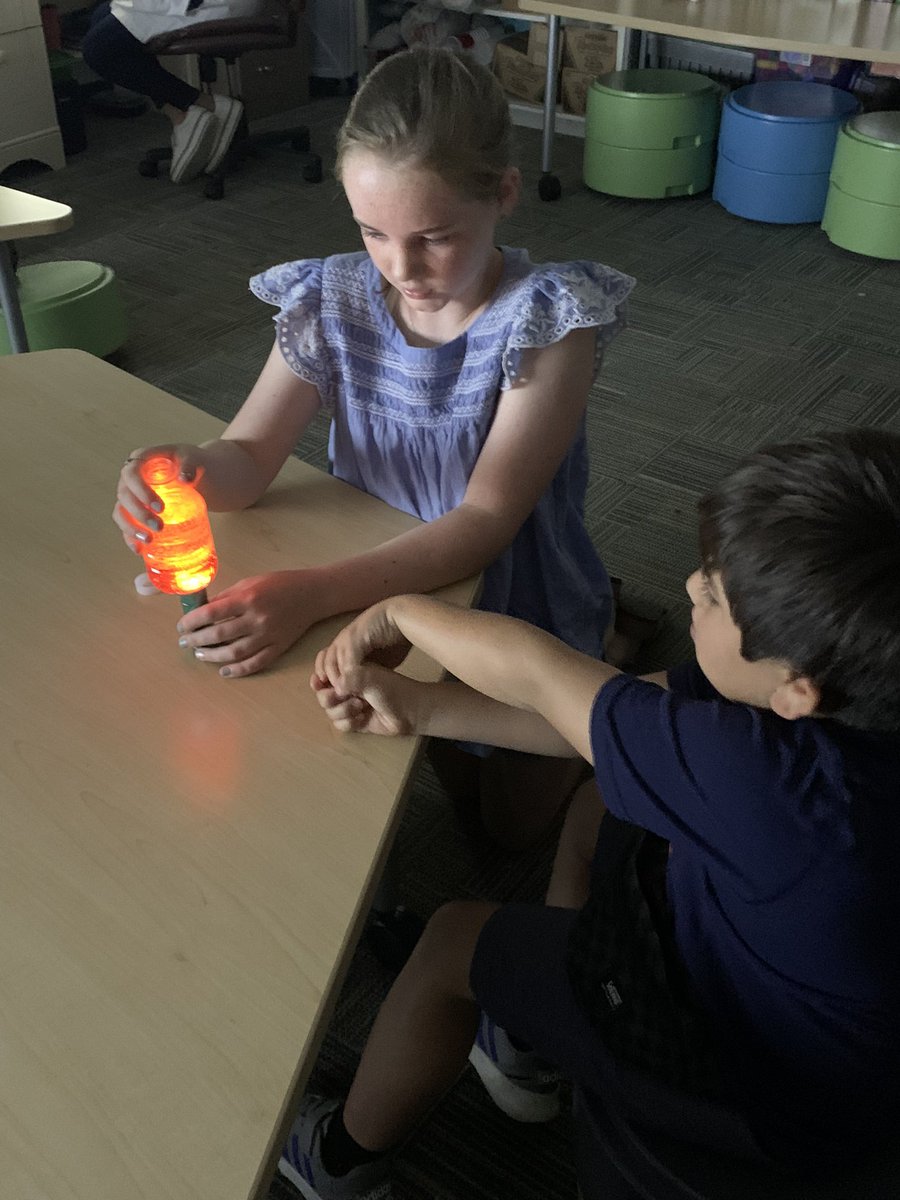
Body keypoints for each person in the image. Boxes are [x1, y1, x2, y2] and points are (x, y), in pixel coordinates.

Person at [278, 428, 900, 1200]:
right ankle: (528, 1036)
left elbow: (545, 679)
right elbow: (597, 720)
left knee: (449, 943)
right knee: (596, 804)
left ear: (794, 689)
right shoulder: (846, 696)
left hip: (749, 1079)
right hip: (821, 1022)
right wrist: (421, 708)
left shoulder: (776, 787)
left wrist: (400, 613)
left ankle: (338, 1161)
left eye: (711, 594)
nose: (685, 588)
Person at [114, 48, 635, 849]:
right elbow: (248, 458)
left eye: (434, 237)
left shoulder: (547, 322)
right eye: (372, 232)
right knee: (425, 766)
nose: (402, 267)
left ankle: (613, 659)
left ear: (503, 193)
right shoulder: (332, 299)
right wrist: (182, 468)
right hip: (376, 584)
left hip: (511, 598)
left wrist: (310, 594)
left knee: (511, 833)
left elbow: (487, 518)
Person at [82, 0, 254, 183]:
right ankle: (178, 113)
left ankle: (205, 104)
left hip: (206, 6)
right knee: (101, 15)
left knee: (98, 50)